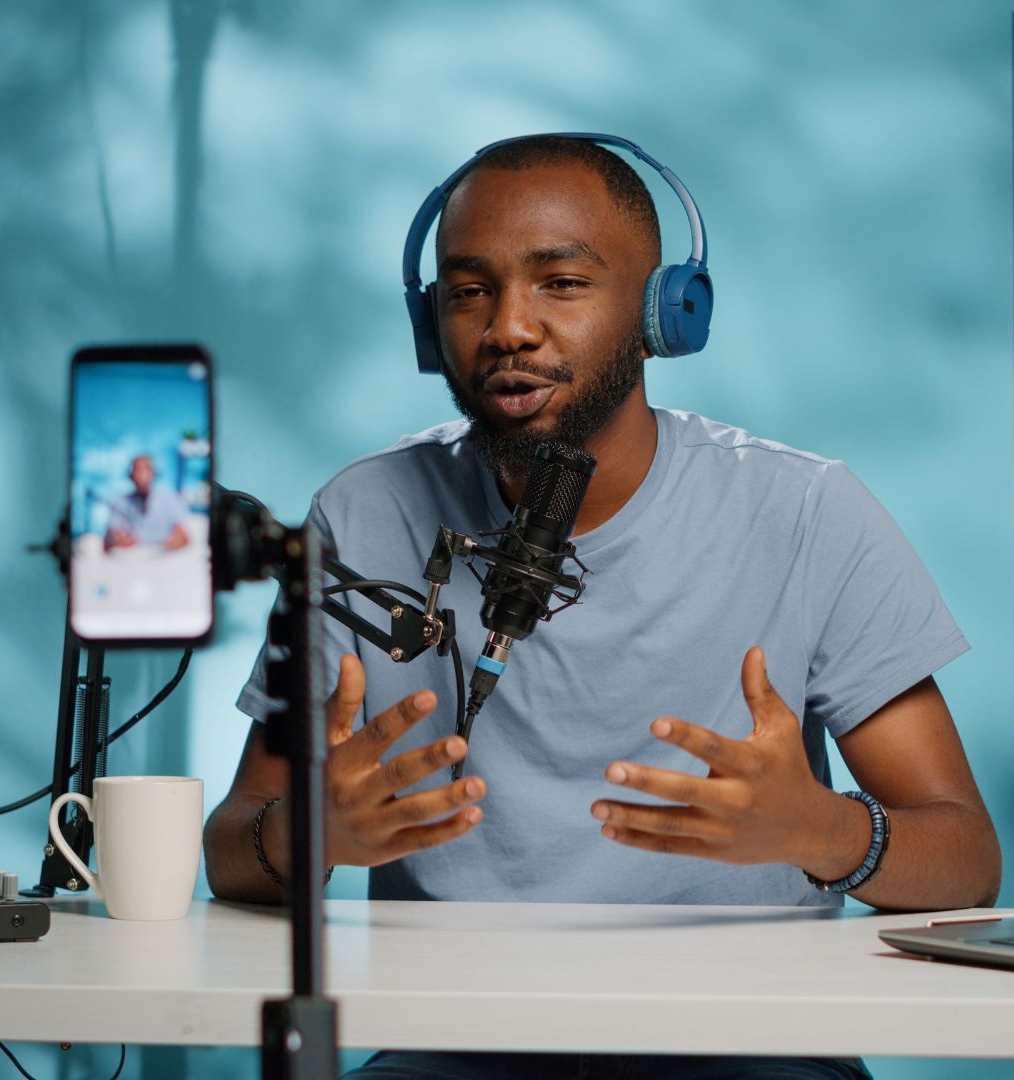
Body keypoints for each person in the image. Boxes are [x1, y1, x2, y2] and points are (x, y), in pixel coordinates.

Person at [203, 136, 1001, 1080]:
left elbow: (967, 860)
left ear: (664, 311)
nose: (509, 328)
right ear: (432, 326)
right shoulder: (362, 515)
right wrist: (312, 833)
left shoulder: (806, 511)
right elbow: (233, 846)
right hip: (454, 1048)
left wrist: (815, 830)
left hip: (748, 1048)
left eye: (561, 284)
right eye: (468, 292)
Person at [104, 454, 190, 551]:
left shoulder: (170, 499)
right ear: (131, 476)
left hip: (165, 558)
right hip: (131, 558)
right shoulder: (121, 501)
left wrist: (173, 542)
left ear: (153, 473)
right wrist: (118, 540)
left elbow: (183, 535)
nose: (142, 475)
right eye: (138, 470)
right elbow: (110, 537)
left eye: (146, 469)